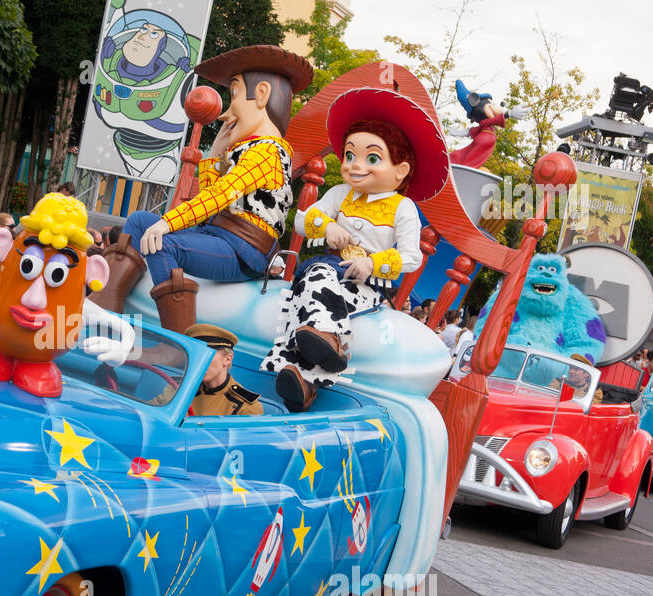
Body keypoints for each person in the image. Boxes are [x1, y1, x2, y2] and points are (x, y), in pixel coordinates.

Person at [95, 45, 314, 333]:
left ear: (261, 94)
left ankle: (177, 340)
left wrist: (167, 223)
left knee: (163, 244)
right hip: (218, 234)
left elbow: (219, 196)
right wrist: (214, 155)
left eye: (234, 94)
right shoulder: (248, 149)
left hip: (244, 248)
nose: (228, 109)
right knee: (138, 222)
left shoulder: (268, 152)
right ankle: (105, 305)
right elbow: (209, 200)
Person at [264, 87, 450, 412]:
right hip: (327, 267)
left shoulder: (401, 207)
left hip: (364, 283)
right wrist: (328, 226)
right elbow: (302, 221)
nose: (354, 165)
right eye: (350, 155)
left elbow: (412, 256)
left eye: (372, 158)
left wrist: (373, 264)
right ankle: (329, 344)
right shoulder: (339, 193)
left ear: (401, 170)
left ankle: (304, 371)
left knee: (314, 292)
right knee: (314, 278)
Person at [184, 323, 263, 416]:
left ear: (227, 359)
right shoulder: (182, 390)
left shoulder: (247, 407)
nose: (200, 361)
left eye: (208, 355)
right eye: (196, 355)